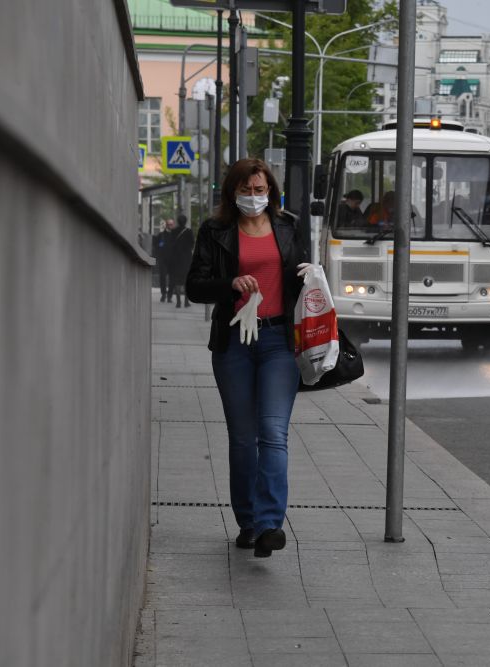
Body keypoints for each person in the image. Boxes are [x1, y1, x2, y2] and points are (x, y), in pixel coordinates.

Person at [186, 158, 311, 558]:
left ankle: (270, 523)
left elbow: (301, 277)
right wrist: (230, 283)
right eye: (246, 190)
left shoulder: (289, 226)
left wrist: (312, 273)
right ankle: (248, 523)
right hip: (235, 342)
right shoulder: (215, 230)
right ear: (232, 193)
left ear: (271, 192)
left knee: (273, 432)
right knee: (243, 439)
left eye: (260, 190)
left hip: (279, 340)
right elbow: (195, 287)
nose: (254, 198)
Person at [169, 214, 195, 307]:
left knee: (177, 281)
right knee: (186, 281)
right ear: (186, 221)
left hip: (176, 259)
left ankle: (178, 302)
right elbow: (192, 244)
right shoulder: (189, 231)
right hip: (187, 259)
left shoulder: (173, 231)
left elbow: (170, 245)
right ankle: (186, 302)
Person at [153, 219, 175, 302]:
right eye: (169, 224)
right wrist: (159, 255)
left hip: (173, 261)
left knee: (172, 279)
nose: (170, 226)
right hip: (163, 260)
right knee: (162, 277)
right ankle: (163, 294)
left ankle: (170, 296)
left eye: (171, 224)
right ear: (166, 225)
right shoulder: (161, 235)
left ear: (173, 225)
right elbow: (155, 245)